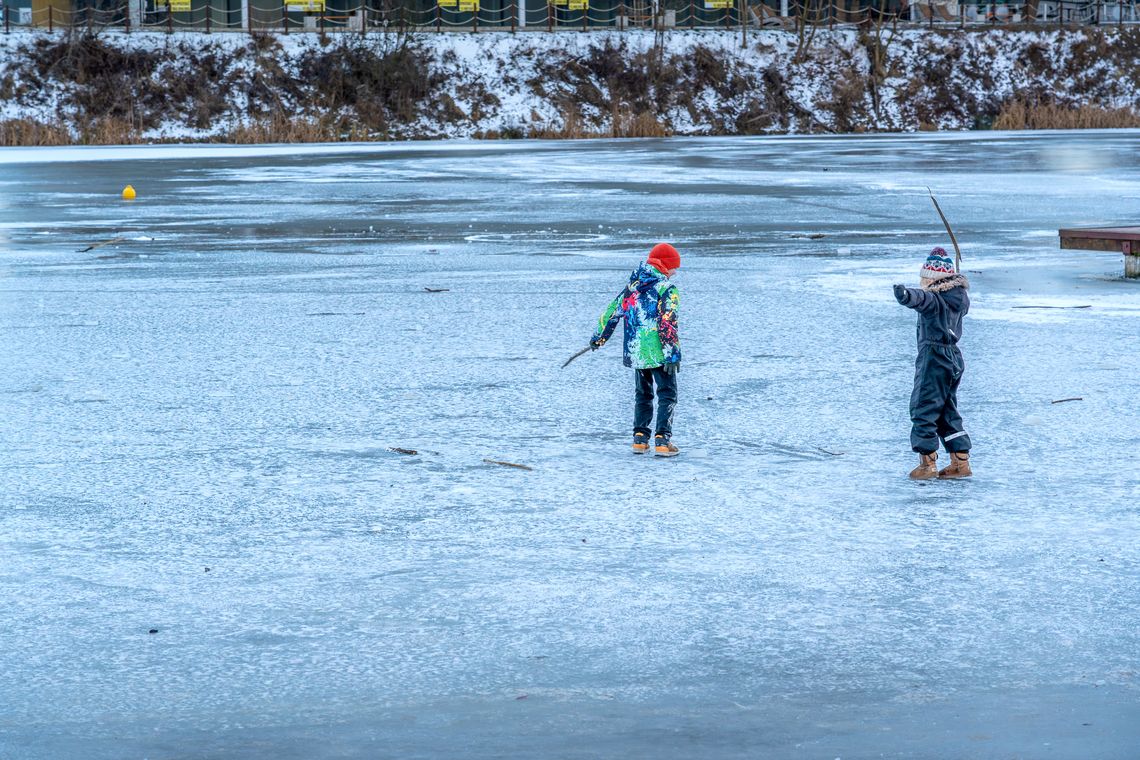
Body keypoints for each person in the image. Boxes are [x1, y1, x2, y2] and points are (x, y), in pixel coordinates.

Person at [589, 243, 682, 457]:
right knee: (668, 394)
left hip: (637, 351)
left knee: (643, 394)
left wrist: (599, 338)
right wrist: (672, 354)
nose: (675, 272)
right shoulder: (666, 288)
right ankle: (662, 440)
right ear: (664, 266)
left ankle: (640, 439)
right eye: (674, 267)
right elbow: (667, 322)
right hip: (659, 352)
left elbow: (613, 311)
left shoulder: (634, 287)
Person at [893, 247, 973, 480]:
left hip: (934, 357)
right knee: (946, 409)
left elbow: (922, 299)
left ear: (932, 279)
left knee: (923, 406)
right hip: (954, 358)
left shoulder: (936, 300)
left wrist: (906, 295)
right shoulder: (958, 298)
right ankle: (960, 461)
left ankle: (927, 463)